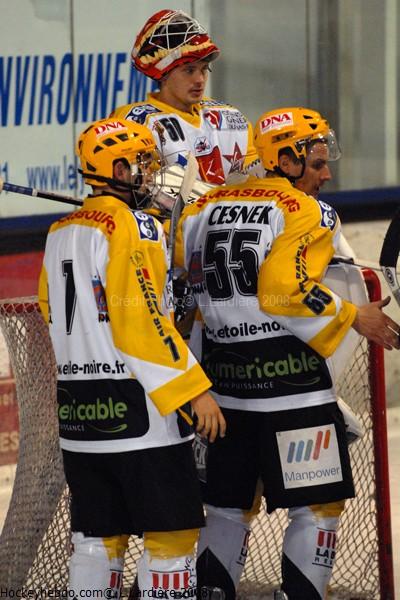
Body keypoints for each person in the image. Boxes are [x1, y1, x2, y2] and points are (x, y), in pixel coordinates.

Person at [174, 107, 400, 599]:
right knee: (318, 507)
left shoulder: (200, 209)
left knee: (228, 508)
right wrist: (354, 316)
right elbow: (283, 291)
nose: (326, 175)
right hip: (293, 389)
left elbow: (181, 291)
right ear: (286, 160)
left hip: (224, 392)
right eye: (317, 163)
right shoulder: (307, 210)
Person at [38, 117, 226, 599]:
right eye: (142, 163)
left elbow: (49, 308)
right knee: (173, 536)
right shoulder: (135, 225)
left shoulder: (59, 230)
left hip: (80, 413)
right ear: (118, 170)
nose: (150, 173)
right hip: (139, 414)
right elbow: (141, 323)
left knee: (98, 539)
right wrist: (193, 390)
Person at [110, 9, 258, 185]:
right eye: (189, 70)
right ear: (163, 73)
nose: (200, 79)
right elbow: (133, 190)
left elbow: (257, 182)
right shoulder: (134, 123)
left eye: (204, 69)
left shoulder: (231, 117)